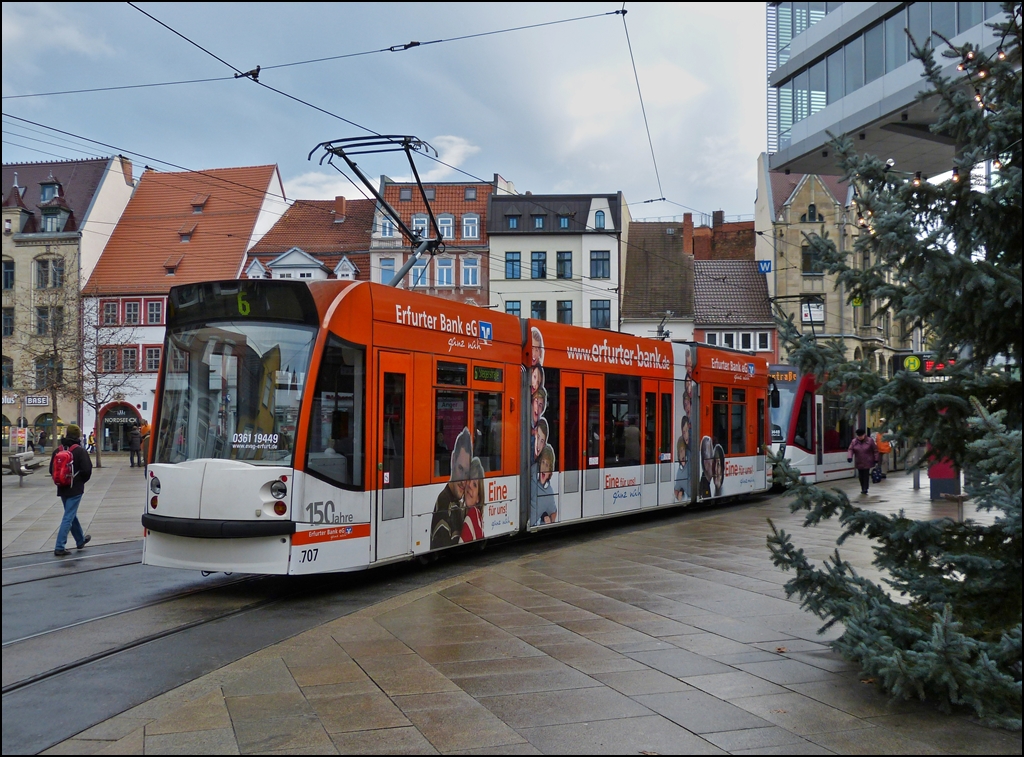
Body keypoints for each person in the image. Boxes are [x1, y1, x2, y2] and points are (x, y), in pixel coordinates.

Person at [49, 424, 93, 557]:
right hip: (75, 488)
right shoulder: (79, 451)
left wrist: (61, 481)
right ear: (78, 435)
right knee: (68, 516)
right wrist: (79, 482)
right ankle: (59, 546)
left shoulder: (58, 450)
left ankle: (80, 540)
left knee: (71, 513)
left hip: (62, 487)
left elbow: (51, 470)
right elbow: (87, 470)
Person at [430, 427, 472, 549]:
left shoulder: (455, 502)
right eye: (460, 469)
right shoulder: (444, 506)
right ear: (452, 460)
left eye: (467, 472)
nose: (464, 480)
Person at [459, 458, 486, 543]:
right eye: (469, 479)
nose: (469, 485)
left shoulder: (472, 514)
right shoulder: (477, 517)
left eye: (475, 485)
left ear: (478, 498)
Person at [848, 427, 879, 495]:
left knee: (865, 475)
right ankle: (863, 487)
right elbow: (850, 449)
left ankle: (865, 488)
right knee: (860, 476)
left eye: (861, 436)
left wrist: (876, 459)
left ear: (864, 434)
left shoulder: (870, 441)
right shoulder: (854, 441)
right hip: (859, 461)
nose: (860, 437)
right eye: (858, 436)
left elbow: (875, 450)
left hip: (867, 461)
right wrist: (850, 457)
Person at [531, 444, 557, 525]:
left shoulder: (549, 492)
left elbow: (553, 512)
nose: (544, 468)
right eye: (543, 462)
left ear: (550, 472)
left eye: (547, 465)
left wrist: (550, 519)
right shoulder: (532, 475)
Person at [674, 416, 691, 502]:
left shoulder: (691, 453)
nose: (686, 435)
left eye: (688, 431)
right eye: (684, 432)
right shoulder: (679, 473)